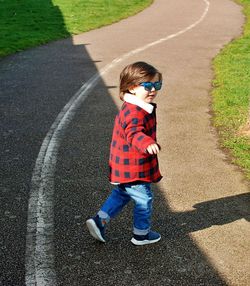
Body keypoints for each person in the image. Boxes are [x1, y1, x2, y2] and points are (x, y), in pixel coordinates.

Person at [86, 61, 163, 246]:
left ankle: (99, 221)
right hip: (134, 166)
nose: (153, 90)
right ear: (131, 87)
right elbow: (134, 132)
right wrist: (147, 143)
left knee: (123, 192)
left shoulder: (137, 106)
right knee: (144, 199)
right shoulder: (135, 112)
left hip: (126, 165)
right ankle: (141, 235)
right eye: (148, 85)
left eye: (157, 85)